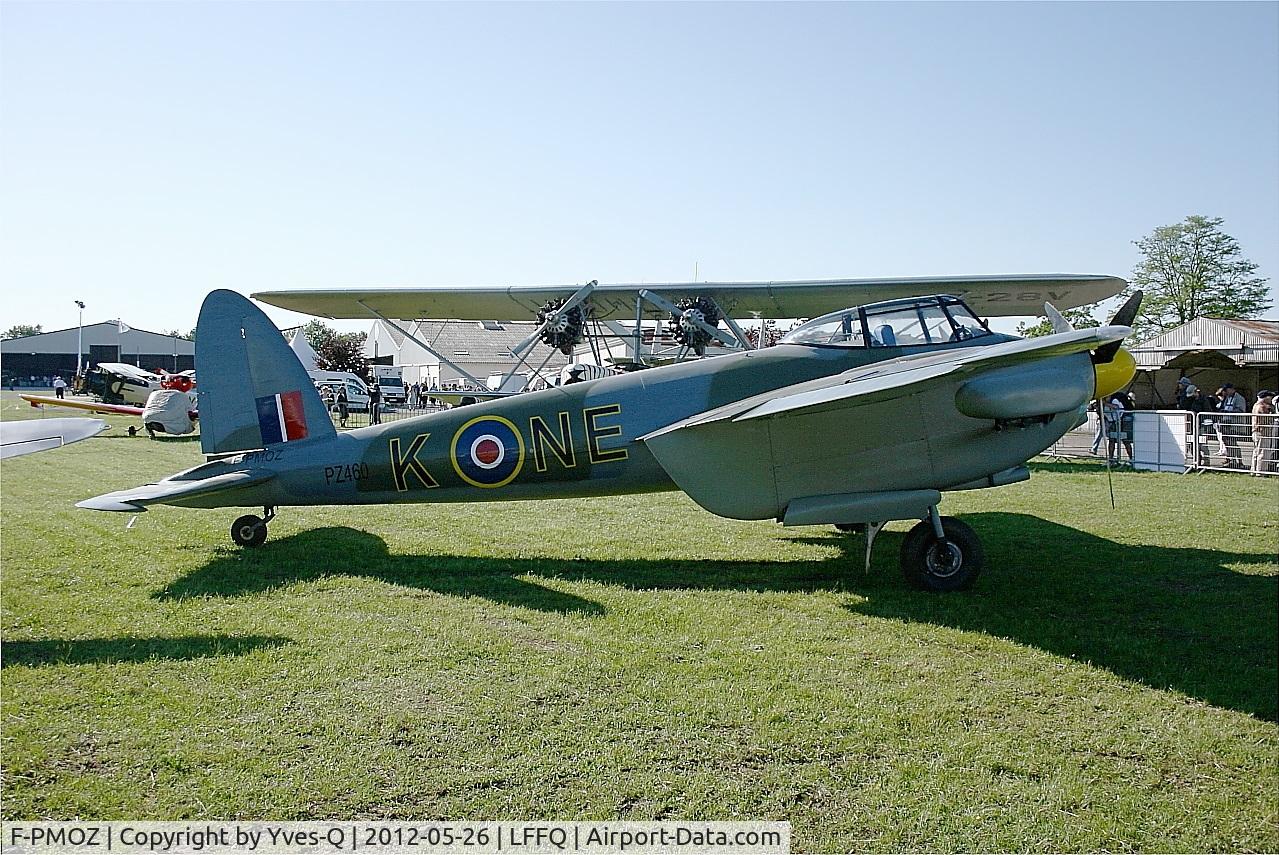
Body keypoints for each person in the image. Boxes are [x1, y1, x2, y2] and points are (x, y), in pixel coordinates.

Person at [1217, 383, 1248, 469]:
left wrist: (1229, 412)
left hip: (1234, 424)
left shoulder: (1239, 398)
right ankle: (1231, 459)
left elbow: (1241, 410)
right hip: (1226, 423)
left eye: (1226, 390)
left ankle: (1239, 461)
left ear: (1231, 389)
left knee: (1233, 443)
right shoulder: (1227, 398)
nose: (1225, 392)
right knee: (1227, 442)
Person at [1251, 391, 1276, 476]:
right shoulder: (1262, 407)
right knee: (1263, 453)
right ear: (1266, 397)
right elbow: (1268, 418)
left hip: (1256, 431)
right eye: (1270, 397)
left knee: (1256, 452)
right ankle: (1261, 472)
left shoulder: (1255, 405)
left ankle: (1254, 470)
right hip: (1262, 432)